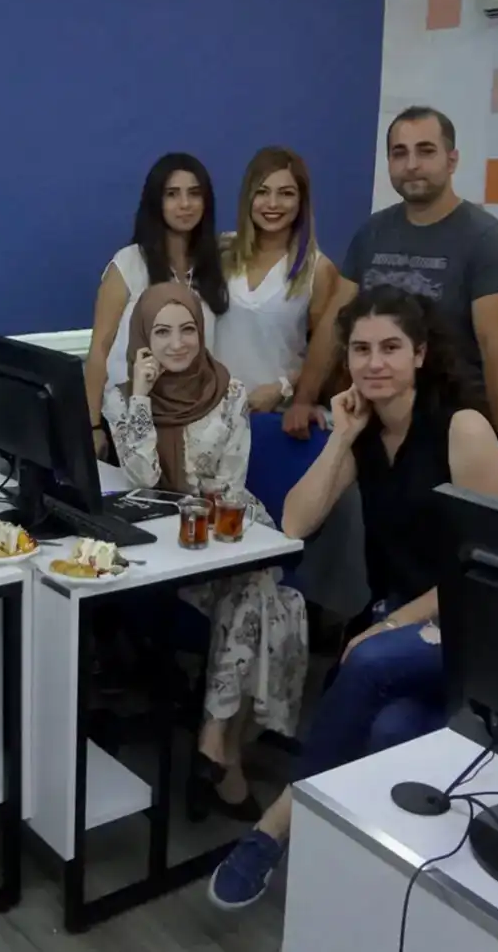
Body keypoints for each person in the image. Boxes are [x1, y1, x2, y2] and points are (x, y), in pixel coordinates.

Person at [207, 285, 498, 910]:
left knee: (366, 658)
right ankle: (366, 881)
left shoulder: (462, 428)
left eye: (391, 348)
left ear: (420, 354)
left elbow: (483, 571)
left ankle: (273, 830)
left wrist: (392, 625)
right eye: (361, 350)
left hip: (473, 624)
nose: (375, 363)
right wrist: (341, 437)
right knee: (392, 728)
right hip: (399, 627)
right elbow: (295, 522)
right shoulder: (365, 430)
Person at [102, 283, 308, 821]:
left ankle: (217, 743)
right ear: (144, 340)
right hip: (171, 547)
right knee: (275, 603)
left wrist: (195, 506)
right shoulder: (123, 399)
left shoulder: (230, 392)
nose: (177, 343)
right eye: (162, 332)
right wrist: (143, 397)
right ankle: (223, 755)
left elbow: (229, 486)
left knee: (255, 590)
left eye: (188, 329)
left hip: (227, 535)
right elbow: (143, 477)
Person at [282, 107, 498, 477]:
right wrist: (303, 399)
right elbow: (336, 322)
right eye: (400, 153)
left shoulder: (487, 239)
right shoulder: (372, 232)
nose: (411, 165)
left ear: (452, 160)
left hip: (451, 432)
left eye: (426, 151)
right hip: (376, 426)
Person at [86, 154, 230, 459]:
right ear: (156, 202)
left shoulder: (215, 268)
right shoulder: (129, 264)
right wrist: (93, 425)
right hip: (127, 419)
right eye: (172, 194)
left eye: (194, 193)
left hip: (193, 424)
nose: (185, 204)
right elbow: (99, 348)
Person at [215, 147, 342, 413]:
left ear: (301, 201)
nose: (273, 204)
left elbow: (327, 357)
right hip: (212, 413)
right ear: (248, 197)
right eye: (262, 192)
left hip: (273, 415)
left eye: (286, 193)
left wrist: (283, 387)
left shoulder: (317, 270)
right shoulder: (222, 251)